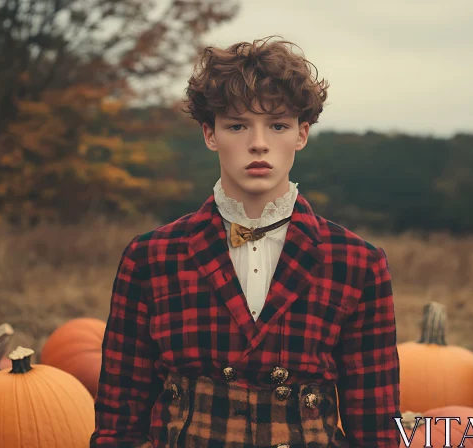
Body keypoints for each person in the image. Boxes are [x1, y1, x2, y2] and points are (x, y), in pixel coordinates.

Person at [90, 35, 401, 448]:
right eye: (237, 125)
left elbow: (376, 428)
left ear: (302, 134)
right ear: (210, 134)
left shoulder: (357, 264)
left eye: (277, 125)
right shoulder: (151, 258)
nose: (258, 143)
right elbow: (119, 420)